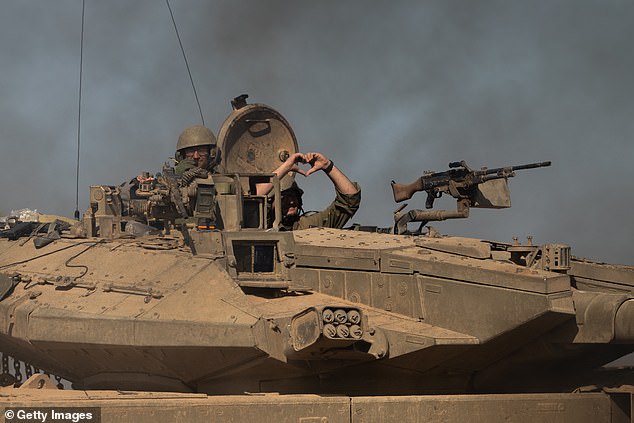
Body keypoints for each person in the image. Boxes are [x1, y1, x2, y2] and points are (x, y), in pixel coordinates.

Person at [256, 152, 361, 230]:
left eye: (293, 196)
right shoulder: (257, 227)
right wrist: (287, 166)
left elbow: (350, 200)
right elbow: (252, 197)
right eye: (284, 198)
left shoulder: (306, 226)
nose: (291, 202)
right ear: (270, 202)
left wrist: (327, 166)